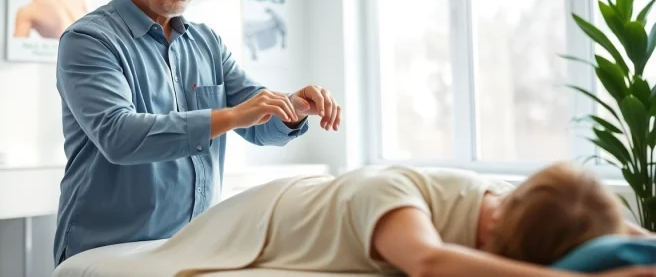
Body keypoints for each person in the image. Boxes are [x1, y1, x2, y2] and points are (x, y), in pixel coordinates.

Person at [52, 0, 342, 266]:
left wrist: (292, 110)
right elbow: (119, 135)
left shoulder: (207, 43)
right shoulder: (90, 40)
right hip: (107, 249)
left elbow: (256, 119)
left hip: (192, 247)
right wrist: (232, 115)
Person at [86, 161, 653, 277]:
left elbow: (611, 227)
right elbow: (428, 264)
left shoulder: (530, 199)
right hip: (266, 217)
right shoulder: (394, 193)